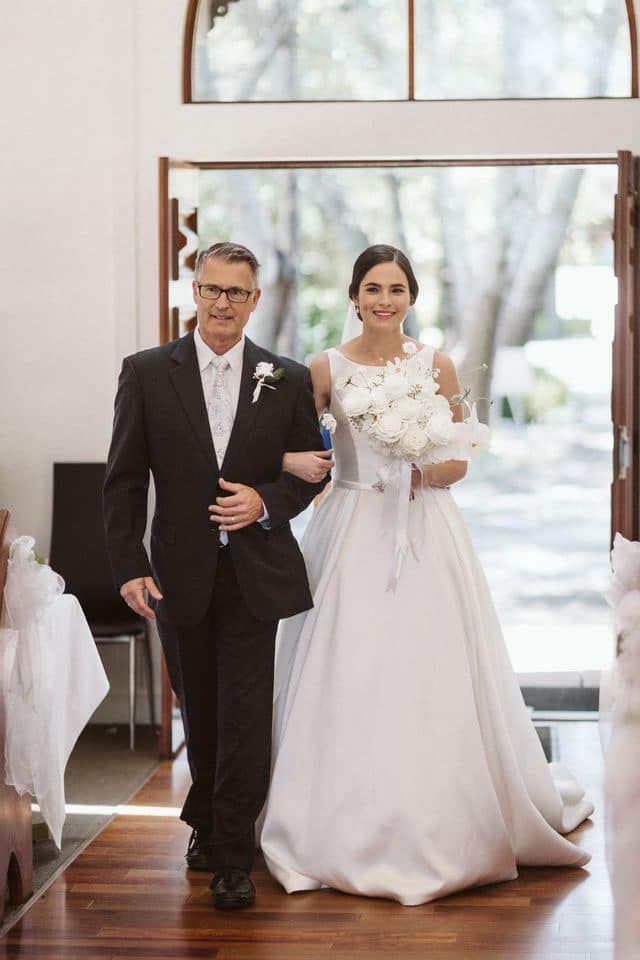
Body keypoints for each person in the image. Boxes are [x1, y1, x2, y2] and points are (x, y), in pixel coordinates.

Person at [260, 244, 594, 906]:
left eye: (398, 288)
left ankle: (445, 815)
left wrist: (416, 468)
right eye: (374, 288)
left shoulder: (434, 363)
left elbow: (460, 460)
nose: (386, 299)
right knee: (347, 667)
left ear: (411, 297)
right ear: (354, 295)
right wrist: (314, 468)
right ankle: (330, 818)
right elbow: (291, 443)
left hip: (426, 528)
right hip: (352, 527)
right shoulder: (323, 368)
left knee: (429, 666)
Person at [103, 241, 327, 910]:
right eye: (212, 289)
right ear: (193, 293)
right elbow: (122, 479)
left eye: (237, 292)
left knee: (244, 712)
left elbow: (311, 471)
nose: (223, 302)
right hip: (178, 570)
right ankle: (208, 818)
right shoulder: (145, 372)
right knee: (200, 710)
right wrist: (127, 566)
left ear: (255, 300)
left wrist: (264, 502)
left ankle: (233, 853)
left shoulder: (284, 378)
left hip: (255, 571)